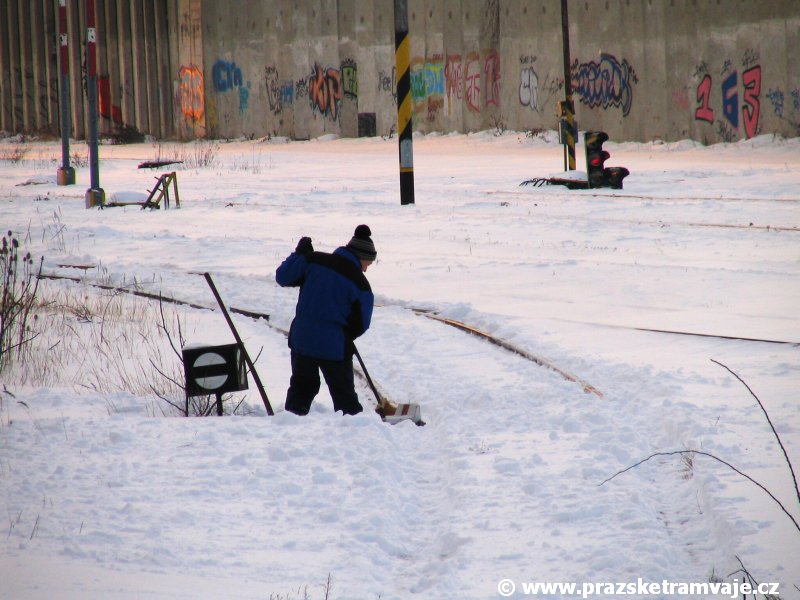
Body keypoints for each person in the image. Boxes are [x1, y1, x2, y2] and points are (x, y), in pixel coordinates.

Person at [275, 224, 377, 416]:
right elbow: (361, 324)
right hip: (334, 347)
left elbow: (282, 277)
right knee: (345, 399)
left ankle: (290, 423)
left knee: (301, 390)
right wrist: (344, 336)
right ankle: (355, 429)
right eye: (368, 264)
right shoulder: (360, 284)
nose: (366, 269)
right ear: (361, 257)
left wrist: (299, 254)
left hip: (302, 340)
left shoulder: (313, 261)